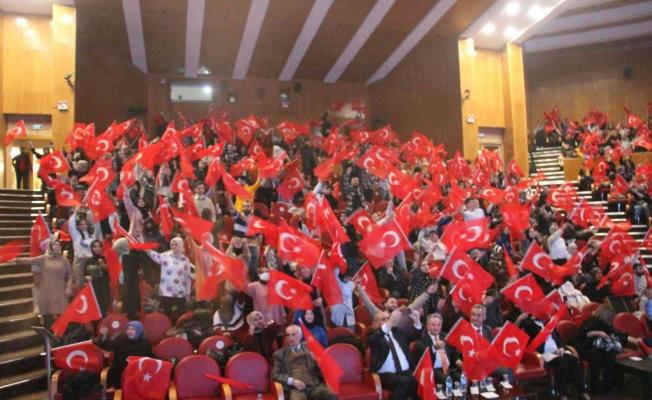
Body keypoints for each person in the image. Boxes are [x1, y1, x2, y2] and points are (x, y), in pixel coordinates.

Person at [516, 312, 589, 400]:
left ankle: (582, 392)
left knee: (574, 360)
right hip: (543, 353)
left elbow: (560, 340)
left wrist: (561, 348)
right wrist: (520, 319)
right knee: (562, 362)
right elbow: (517, 330)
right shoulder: (529, 324)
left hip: (557, 351)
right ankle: (563, 395)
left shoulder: (550, 323)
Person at [575, 305, 642, 394]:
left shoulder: (604, 323)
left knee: (610, 354)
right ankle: (594, 386)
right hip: (584, 347)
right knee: (597, 357)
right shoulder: (591, 321)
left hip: (595, 346)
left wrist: (633, 340)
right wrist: (598, 333)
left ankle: (608, 385)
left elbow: (616, 333)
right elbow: (583, 334)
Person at [15, 240, 72, 329]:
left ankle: (61, 335)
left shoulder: (64, 260)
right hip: (46, 292)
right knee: (48, 317)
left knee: (62, 317)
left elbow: (70, 274)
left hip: (60, 292)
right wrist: (14, 260)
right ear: (50, 247)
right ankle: (49, 334)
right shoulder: (42, 259)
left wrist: (69, 286)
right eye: (55, 245)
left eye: (59, 245)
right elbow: (28, 260)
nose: (57, 247)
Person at [366, 308, 421, 400]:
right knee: (403, 382)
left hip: (404, 371)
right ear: (376, 323)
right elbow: (373, 340)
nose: (388, 321)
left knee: (414, 381)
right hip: (384, 375)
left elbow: (415, 337)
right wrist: (390, 322)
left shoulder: (397, 331)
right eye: (384, 319)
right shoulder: (373, 335)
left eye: (388, 318)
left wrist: (417, 321)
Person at [271, 324, 336, 400]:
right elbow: (275, 375)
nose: (290, 338)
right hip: (296, 389)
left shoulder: (310, 348)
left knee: (330, 395)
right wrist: (293, 381)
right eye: (288, 335)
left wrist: (318, 363)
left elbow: (325, 369)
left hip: (314, 386)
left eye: (293, 335)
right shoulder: (280, 354)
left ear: (300, 336)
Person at [146, 237, 195, 319]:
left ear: (181, 245)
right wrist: (146, 249)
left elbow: (187, 276)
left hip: (180, 292)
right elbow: (155, 256)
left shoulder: (185, 259)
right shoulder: (165, 256)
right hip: (167, 292)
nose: (174, 246)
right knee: (167, 315)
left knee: (181, 315)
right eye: (172, 244)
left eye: (176, 244)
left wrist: (188, 291)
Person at [95, 320, 153, 388]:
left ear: (138, 331)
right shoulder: (121, 340)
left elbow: (151, 359)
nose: (129, 331)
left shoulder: (145, 343)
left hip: (138, 374)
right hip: (120, 373)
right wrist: (104, 335)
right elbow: (108, 346)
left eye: (132, 329)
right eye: (128, 329)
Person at [412, 313, 459, 384]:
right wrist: (434, 348)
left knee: (460, 378)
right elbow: (424, 359)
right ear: (427, 326)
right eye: (433, 325)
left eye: (438, 325)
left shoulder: (445, 337)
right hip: (433, 370)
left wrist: (457, 360)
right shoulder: (422, 340)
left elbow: (454, 352)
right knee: (445, 380)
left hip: (448, 369)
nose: (436, 327)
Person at [84, 240, 110, 317]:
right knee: (93, 312)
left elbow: (110, 273)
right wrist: (86, 278)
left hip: (103, 289)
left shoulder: (106, 259)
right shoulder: (88, 261)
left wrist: (104, 265)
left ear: (102, 248)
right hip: (92, 289)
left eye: (99, 246)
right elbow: (85, 274)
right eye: (94, 246)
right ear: (91, 248)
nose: (97, 248)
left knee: (102, 312)